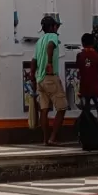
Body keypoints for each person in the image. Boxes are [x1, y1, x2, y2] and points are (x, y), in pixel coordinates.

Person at [34, 14, 67, 146]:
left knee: (44, 109)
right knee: (62, 107)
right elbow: (50, 46)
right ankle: (53, 138)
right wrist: (49, 63)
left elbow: (33, 60)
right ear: (53, 27)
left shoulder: (38, 41)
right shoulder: (53, 36)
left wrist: (33, 76)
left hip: (40, 79)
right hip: (50, 77)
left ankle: (45, 139)